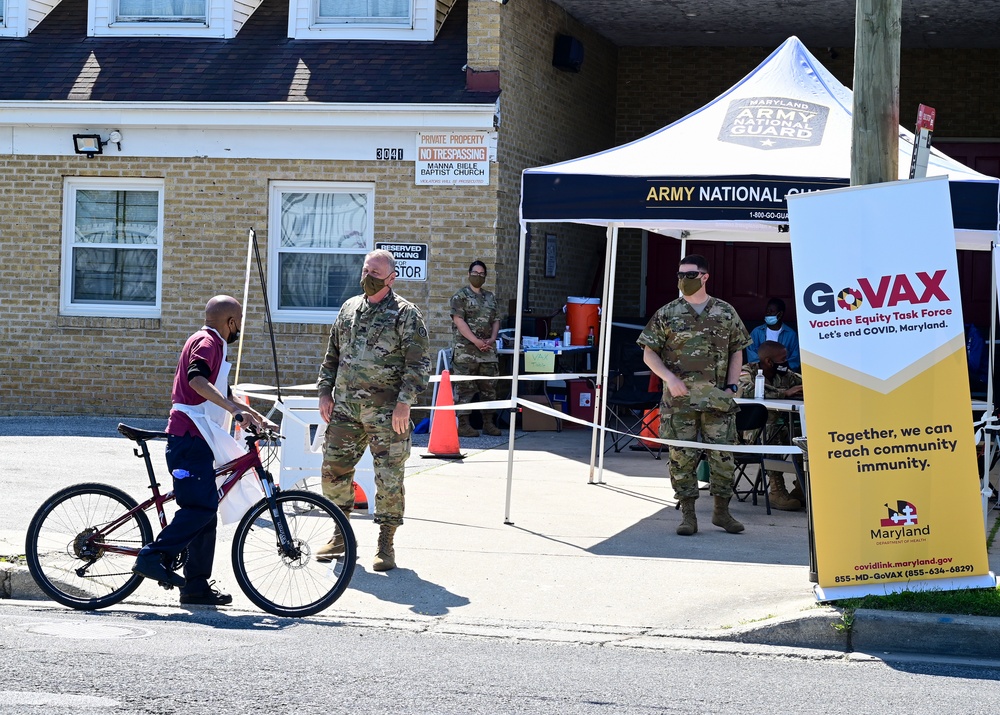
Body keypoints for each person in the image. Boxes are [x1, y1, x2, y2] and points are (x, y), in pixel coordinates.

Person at [132, 295, 273, 605]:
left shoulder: (212, 344)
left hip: (199, 438)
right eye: (239, 324)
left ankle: (195, 586)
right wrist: (234, 412)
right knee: (200, 508)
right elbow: (196, 380)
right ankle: (152, 556)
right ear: (231, 322)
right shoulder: (208, 342)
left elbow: (220, 390)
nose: (239, 330)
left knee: (206, 512)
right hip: (189, 437)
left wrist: (255, 415)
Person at [317, 249, 430, 572]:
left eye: (375, 274)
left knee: (389, 477)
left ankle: (386, 543)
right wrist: (325, 392)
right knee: (333, 471)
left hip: (387, 413)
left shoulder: (406, 315)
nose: (367, 278)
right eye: (366, 271)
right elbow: (332, 356)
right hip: (346, 410)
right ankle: (340, 535)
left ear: (391, 278)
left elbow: (418, 364)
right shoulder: (349, 309)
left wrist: (404, 403)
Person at [638, 254, 751, 536]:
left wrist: (732, 387)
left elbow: (737, 350)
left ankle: (721, 513)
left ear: (704, 277)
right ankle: (688, 515)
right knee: (681, 458)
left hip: (717, 400)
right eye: (680, 275)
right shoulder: (668, 313)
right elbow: (648, 353)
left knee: (724, 456)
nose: (683, 280)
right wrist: (670, 378)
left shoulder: (725, 312)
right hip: (680, 402)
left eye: (690, 275)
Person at [737, 340, 805, 510]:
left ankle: (802, 486)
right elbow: (746, 390)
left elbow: (805, 383)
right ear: (768, 361)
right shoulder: (748, 372)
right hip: (751, 431)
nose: (786, 363)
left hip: (780, 426)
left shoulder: (784, 374)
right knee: (771, 432)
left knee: (800, 432)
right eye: (783, 360)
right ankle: (776, 489)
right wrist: (784, 393)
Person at [450, 260, 501, 438]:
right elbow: (459, 321)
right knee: (465, 388)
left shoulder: (490, 297)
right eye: (475, 273)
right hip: (466, 352)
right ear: (469, 274)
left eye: (481, 274)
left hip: (487, 352)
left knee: (489, 388)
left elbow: (496, 319)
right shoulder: (460, 297)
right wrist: (475, 341)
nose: (478, 276)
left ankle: (488, 423)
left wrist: (492, 339)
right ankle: (463, 425)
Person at [746, 297, 800, 372]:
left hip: (783, 374)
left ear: (780, 314)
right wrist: (765, 368)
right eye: (767, 311)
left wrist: (779, 369)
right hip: (760, 373)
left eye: (771, 311)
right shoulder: (757, 332)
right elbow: (752, 356)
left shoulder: (791, 335)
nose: (768, 313)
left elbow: (794, 360)